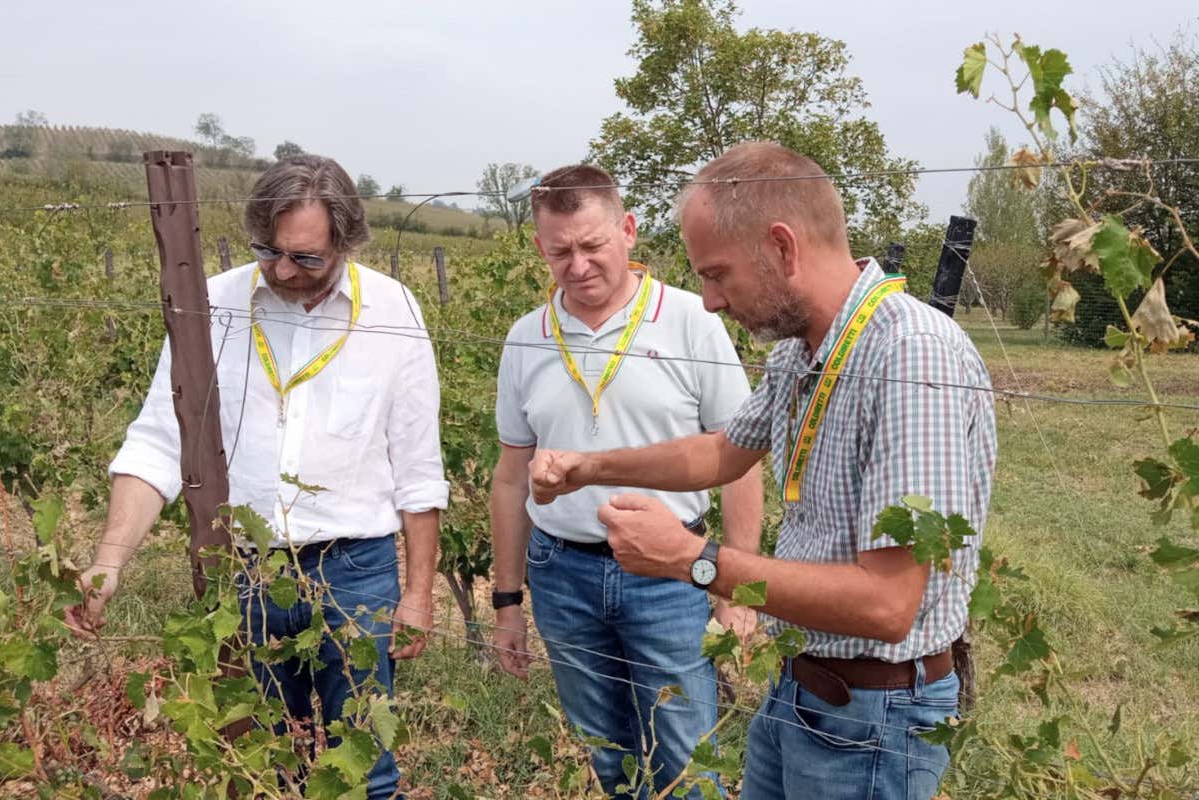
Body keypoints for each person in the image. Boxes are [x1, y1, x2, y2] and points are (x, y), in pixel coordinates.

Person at [528, 142, 998, 800]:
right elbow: (721, 451)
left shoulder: (909, 358)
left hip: (873, 720)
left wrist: (692, 559)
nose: (711, 301)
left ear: (781, 247)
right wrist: (589, 465)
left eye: (718, 274)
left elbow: (890, 605)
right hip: (804, 691)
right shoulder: (800, 352)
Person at [65, 154, 448, 799]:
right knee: (264, 761)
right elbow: (160, 442)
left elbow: (417, 465)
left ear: (347, 242)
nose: (281, 270)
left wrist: (417, 594)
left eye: (306, 259)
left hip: (355, 574)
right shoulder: (211, 304)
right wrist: (109, 562)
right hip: (244, 574)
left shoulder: (392, 308)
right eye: (268, 251)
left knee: (367, 770)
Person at [489, 164, 763, 798]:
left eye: (592, 245)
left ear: (629, 231)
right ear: (540, 248)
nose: (578, 265)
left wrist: (736, 583)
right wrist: (508, 602)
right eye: (560, 252)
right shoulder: (525, 338)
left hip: (671, 576)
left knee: (685, 758)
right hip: (562, 576)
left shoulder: (693, 321)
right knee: (602, 755)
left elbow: (740, 461)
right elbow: (510, 480)